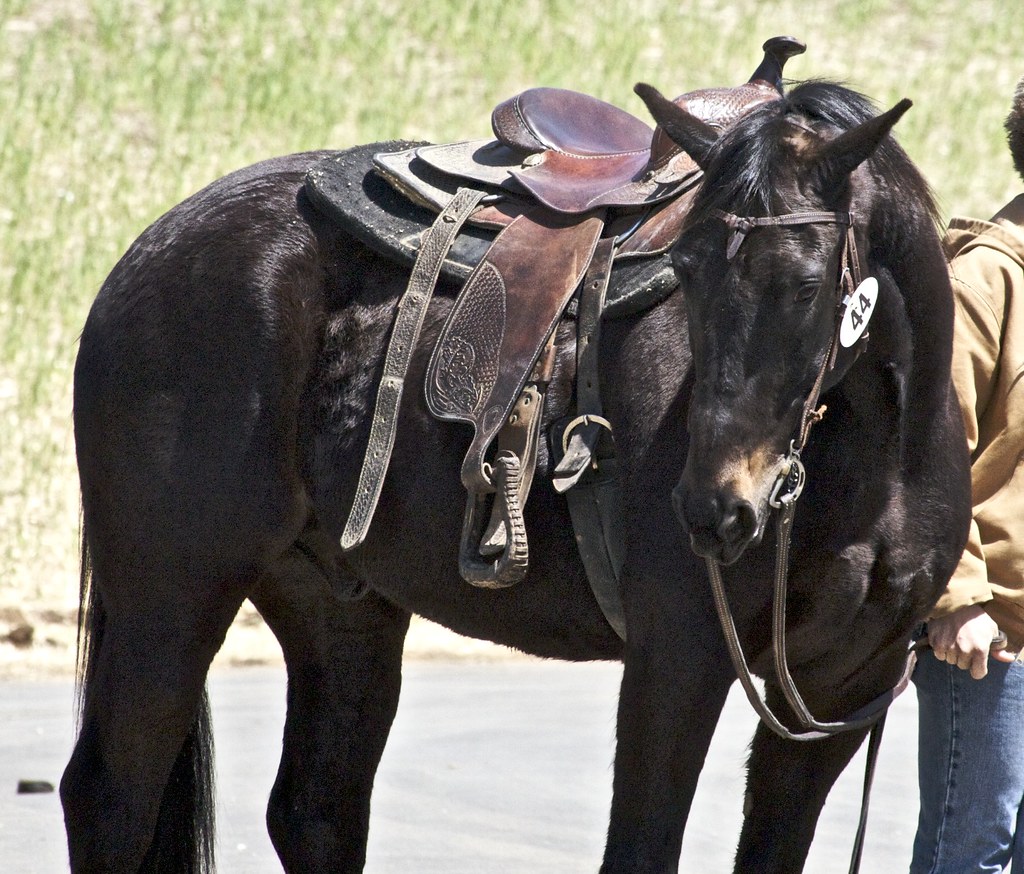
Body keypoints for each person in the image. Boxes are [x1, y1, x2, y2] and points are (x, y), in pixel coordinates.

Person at [910, 75, 1024, 874]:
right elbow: (928, 452)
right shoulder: (983, 280)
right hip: (995, 642)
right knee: (973, 851)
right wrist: (957, 600)